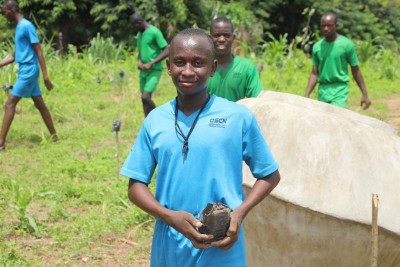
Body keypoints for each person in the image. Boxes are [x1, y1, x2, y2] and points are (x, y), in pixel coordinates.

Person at [120, 28, 280, 267]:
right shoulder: (155, 120)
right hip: (170, 244)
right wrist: (169, 216)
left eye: (198, 63)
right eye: (179, 62)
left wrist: (239, 213)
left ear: (213, 68)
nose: (187, 71)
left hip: (222, 246)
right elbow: (135, 186)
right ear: (168, 67)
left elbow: (269, 175)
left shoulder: (238, 118)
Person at [0, 0, 57, 151]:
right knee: (40, 104)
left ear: (12, 10)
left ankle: (0, 143)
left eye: (4, 11)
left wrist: (46, 77)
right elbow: (15, 55)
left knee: (10, 102)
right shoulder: (19, 27)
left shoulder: (26, 26)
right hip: (25, 69)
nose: (3, 14)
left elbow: (39, 50)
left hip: (29, 70)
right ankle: (55, 136)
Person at [305, 12, 371, 109]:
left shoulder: (346, 44)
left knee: (336, 116)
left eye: (329, 25)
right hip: (323, 90)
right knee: (324, 119)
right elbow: (315, 73)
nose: (326, 28)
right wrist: (307, 94)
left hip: (340, 89)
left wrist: (364, 94)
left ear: (336, 25)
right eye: (323, 26)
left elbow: (356, 71)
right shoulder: (317, 47)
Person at [208, 16, 263, 102]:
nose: (221, 39)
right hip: (206, 115)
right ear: (209, 38)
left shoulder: (246, 67)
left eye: (226, 35)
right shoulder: (201, 67)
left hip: (236, 116)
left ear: (233, 38)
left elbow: (256, 101)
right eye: (217, 35)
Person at [129, 13, 170, 117]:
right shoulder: (140, 34)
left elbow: (167, 50)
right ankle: (148, 123)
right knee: (144, 100)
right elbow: (140, 51)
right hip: (143, 71)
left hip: (154, 70)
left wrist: (151, 63)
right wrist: (139, 61)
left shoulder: (154, 32)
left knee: (145, 97)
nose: (133, 28)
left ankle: (160, 116)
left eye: (134, 26)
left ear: (139, 23)